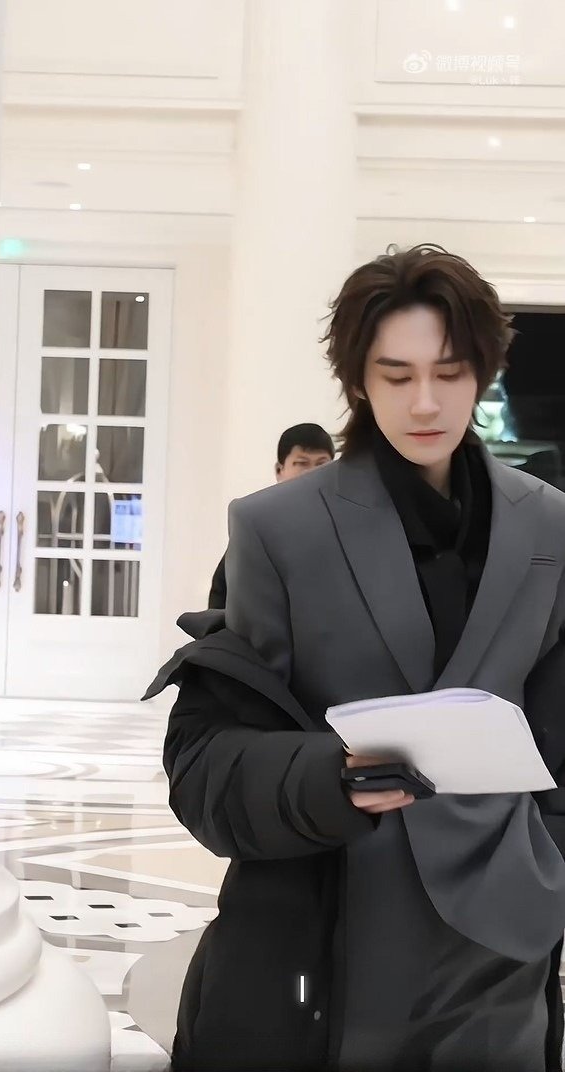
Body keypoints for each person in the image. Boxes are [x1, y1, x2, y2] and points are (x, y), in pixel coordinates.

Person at [146, 244, 565, 1072]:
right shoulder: (276, 529)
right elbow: (210, 758)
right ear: (358, 382)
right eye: (395, 375)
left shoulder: (549, 525)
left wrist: (548, 866)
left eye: (448, 373)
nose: (424, 401)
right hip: (335, 930)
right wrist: (329, 779)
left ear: (482, 371)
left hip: (504, 938)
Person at [207, 422, 334, 609]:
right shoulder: (258, 523)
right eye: (302, 463)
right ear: (279, 470)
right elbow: (223, 594)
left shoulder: (344, 524)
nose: (313, 473)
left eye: (322, 464)